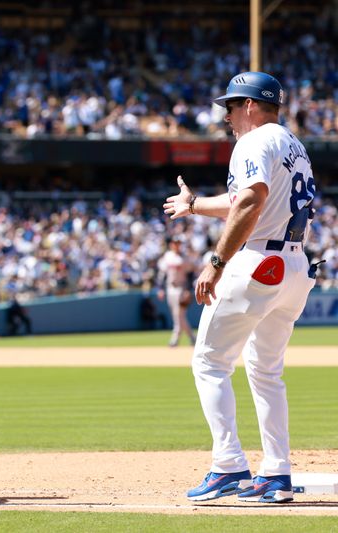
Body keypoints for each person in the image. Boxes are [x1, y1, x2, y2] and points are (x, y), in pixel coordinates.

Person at [164, 72, 317, 503]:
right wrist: (194, 205)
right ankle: (277, 473)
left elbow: (250, 201)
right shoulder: (293, 145)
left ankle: (228, 465)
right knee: (267, 371)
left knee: (210, 363)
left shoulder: (251, 141)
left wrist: (216, 261)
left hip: (258, 263)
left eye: (230, 106)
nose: (227, 116)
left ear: (250, 105)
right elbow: (245, 200)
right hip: (294, 265)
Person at [157, 237, 196, 347]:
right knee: (177, 315)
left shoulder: (184, 258)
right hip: (170, 288)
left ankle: (175, 339)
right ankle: (193, 338)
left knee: (178, 315)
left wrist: (188, 290)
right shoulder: (168, 256)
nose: (176, 245)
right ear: (171, 244)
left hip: (181, 288)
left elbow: (190, 275)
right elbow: (162, 274)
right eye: (175, 243)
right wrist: (160, 288)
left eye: (178, 243)